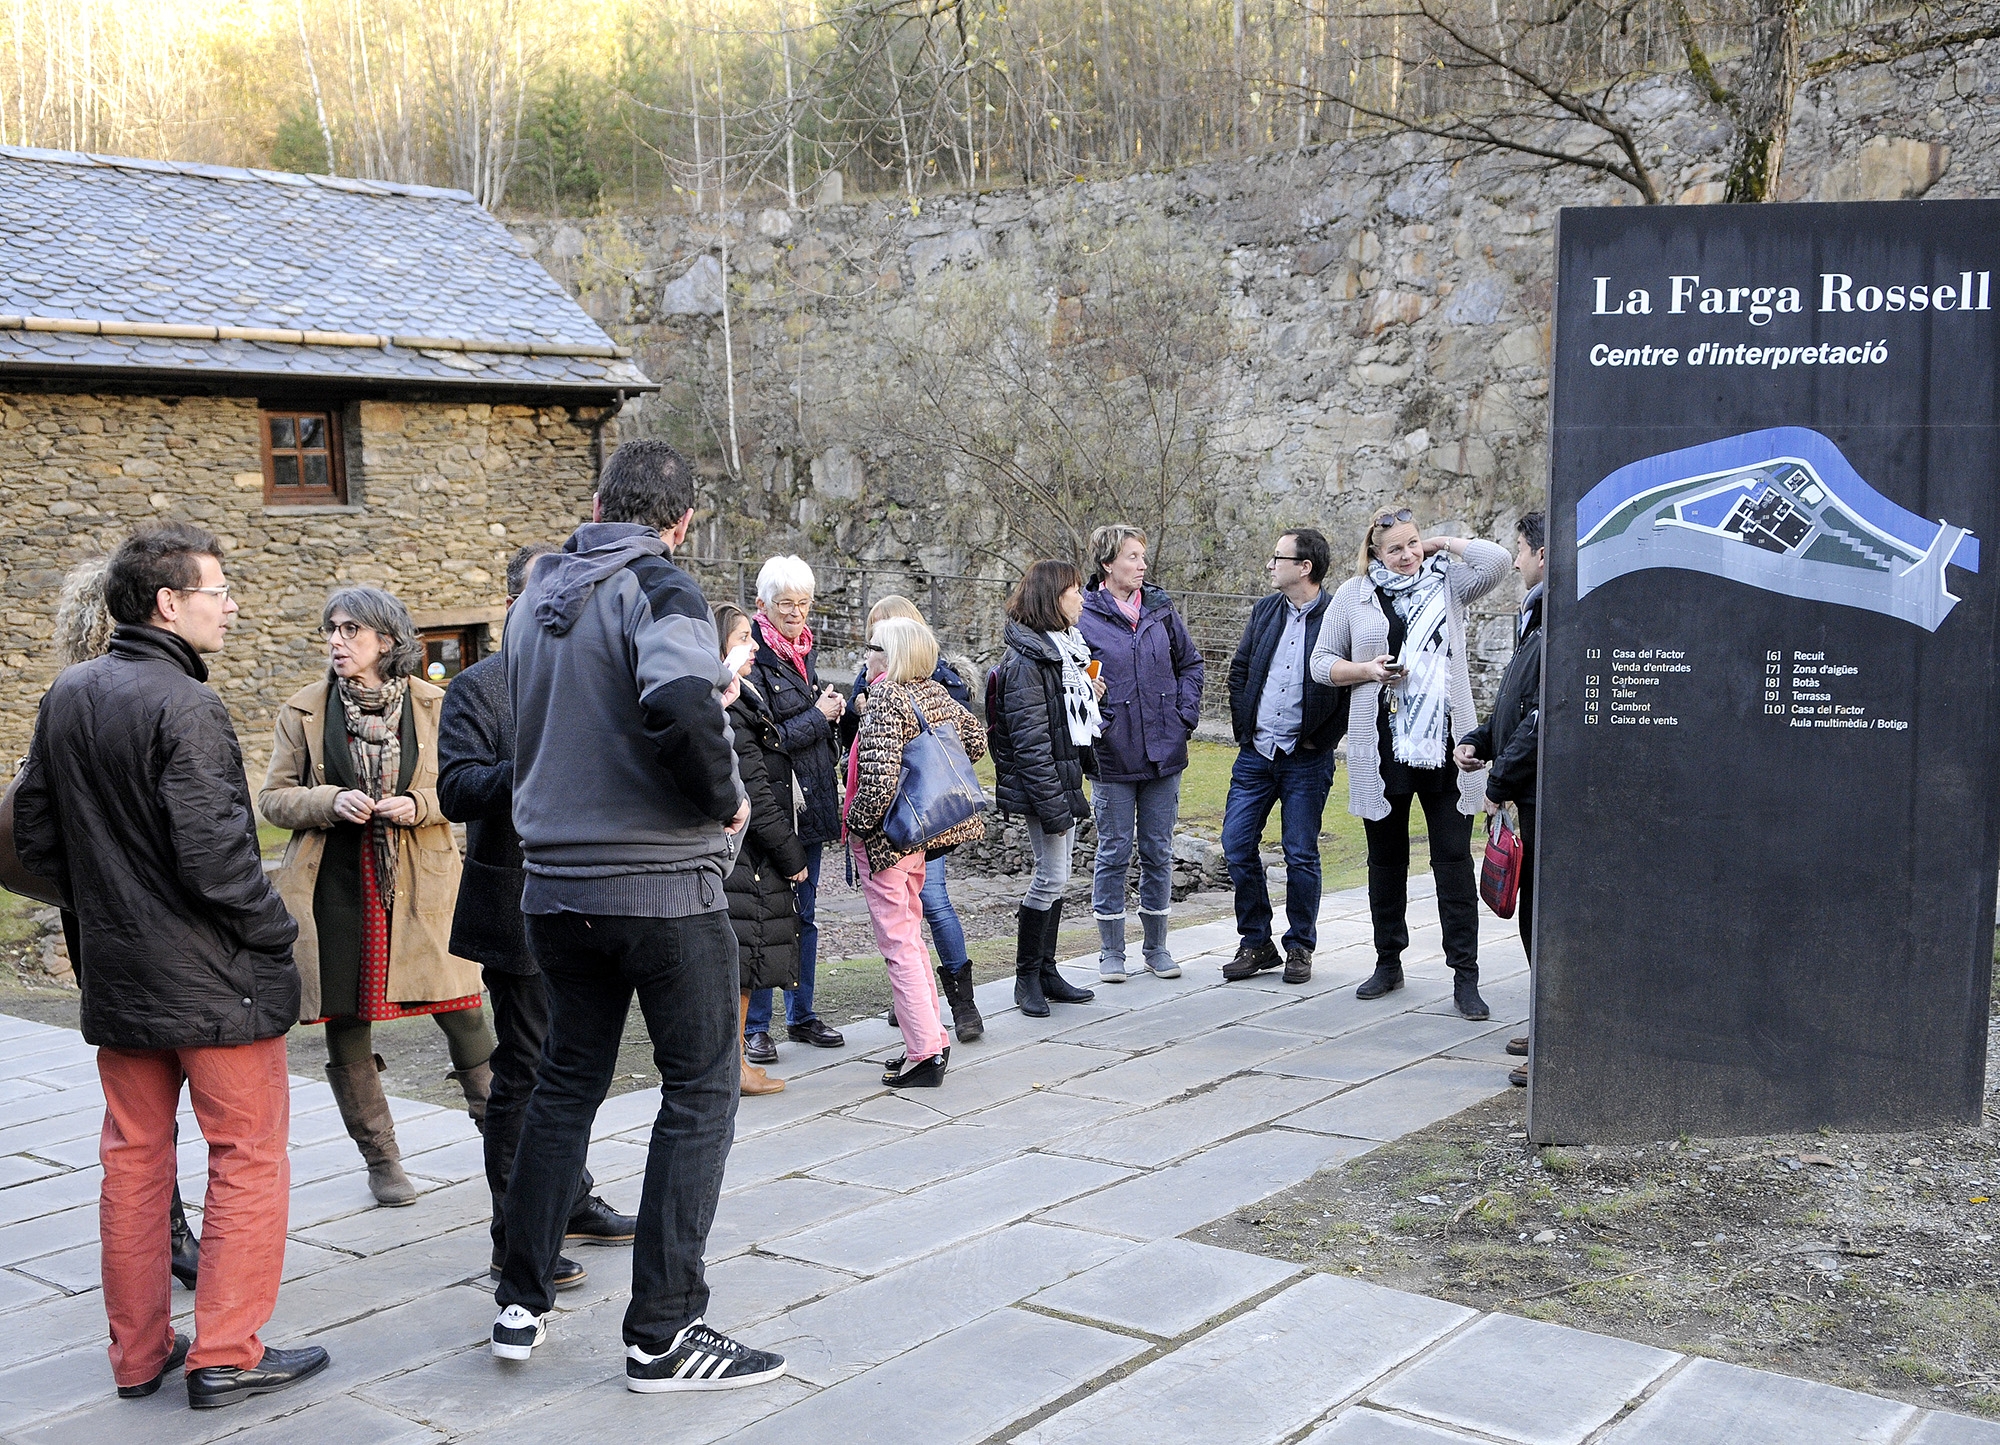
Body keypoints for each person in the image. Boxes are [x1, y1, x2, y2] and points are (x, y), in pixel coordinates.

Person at [491, 438, 784, 1394]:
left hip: (553, 891)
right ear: (682, 519)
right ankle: (664, 1331)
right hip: (659, 889)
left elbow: (586, 714)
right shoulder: (662, 587)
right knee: (702, 1091)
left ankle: (519, 1295)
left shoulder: (534, 598)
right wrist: (723, 800)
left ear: (596, 500)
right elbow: (674, 709)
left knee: (563, 1084)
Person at [15, 522, 330, 1409]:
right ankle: (226, 1350)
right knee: (248, 1156)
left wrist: (111, 900)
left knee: (135, 1159)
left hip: (119, 972)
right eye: (218, 589)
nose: (231, 604)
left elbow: (34, 836)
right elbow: (221, 865)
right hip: (213, 981)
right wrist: (278, 933)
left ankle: (137, 1355)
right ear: (168, 602)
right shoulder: (186, 705)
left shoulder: (67, 693)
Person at [437, 543, 637, 1291]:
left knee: (578, 1062)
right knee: (524, 1071)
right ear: (518, 603)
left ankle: (571, 1198)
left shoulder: (591, 674)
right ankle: (512, 1236)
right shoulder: (477, 688)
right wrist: (541, 759)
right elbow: (456, 789)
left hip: (595, 899)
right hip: (516, 905)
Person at [259, 587, 498, 1208]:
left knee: (464, 1008)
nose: (336, 642)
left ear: (386, 642)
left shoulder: (436, 705)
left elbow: (466, 786)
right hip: (336, 882)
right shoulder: (304, 709)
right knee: (346, 1017)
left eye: (350, 631)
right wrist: (327, 801)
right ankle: (382, 1161)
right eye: (331, 631)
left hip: (423, 880)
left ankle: (505, 1139)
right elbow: (274, 798)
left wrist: (420, 805)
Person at [39, 557, 203, 1292]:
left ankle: (149, 1277)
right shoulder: (164, 697)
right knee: (160, 1105)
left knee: (134, 1109)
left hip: (97, 920)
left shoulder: (69, 699)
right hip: (156, 930)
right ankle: (169, 1228)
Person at [1310, 506, 1510, 1019]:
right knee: (1387, 862)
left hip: (1448, 746)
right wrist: (1366, 669)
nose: (1407, 555)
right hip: (1381, 745)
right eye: (1395, 548)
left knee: (1452, 864)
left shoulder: (1447, 584)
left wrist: (1441, 542)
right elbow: (1320, 662)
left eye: (1413, 543)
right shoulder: (1354, 597)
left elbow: (1497, 560)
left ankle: (1466, 976)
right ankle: (1387, 961)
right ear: (1374, 552)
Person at [846, 616, 988, 1087]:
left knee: (898, 943)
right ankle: (932, 1039)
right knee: (910, 935)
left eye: (873, 648)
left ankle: (925, 1051)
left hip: (888, 839)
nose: (867, 656)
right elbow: (976, 740)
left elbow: (878, 782)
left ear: (890, 654)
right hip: (920, 836)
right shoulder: (929, 691)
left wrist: (854, 826)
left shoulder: (887, 696)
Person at [1077, 525, 1205, 983]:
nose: (1142, 565)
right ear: (1108, 564)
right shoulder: (1083, 617)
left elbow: (1190, 663)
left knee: (1157, 850)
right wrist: (1101, 718)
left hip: (1164, 751)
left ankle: (1157, 948)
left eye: (1142, 557)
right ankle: (1112, 953)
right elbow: (1074, 681)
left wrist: (1184, 716)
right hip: (1113, 754)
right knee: (1113, 852)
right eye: (1132, 557)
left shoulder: (1160, 608)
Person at [1220, 528, 1347, 985]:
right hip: (1257, 753)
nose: (1271, 565)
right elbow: (1239, 671)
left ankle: (1299, 947)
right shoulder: (1265, 609)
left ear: (1304, 568)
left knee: (1300, 853)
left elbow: (1351, 689)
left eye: (1278, 557)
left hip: (1306, 760)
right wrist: (1244, 728)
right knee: (1236, 846)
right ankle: (1256, 943)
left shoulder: (1338, 616)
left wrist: (1323, 739)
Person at [989, 559, 1106, 1017]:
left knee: (1056, 878)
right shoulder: (1026, 659)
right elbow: (1031, 741)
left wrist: (1093, 695)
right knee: (1050, 876)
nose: (1082, 599)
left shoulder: (1067, 648)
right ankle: (1025, 978)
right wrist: (1054, 805)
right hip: (1046, 782)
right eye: (1074, 591)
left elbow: (1068, 718)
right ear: (1050, 599)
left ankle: (1047, 971)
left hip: (1064, 774)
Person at [742, 555, 846, 1065]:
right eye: (786, 604)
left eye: (804, 604)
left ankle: (801, 1015)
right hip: (775, 809)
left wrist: (840, 715)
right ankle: (756, 1027)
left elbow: (808, 734)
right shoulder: (752, 661)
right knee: (769, 916)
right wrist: (818, 715)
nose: (797, 614)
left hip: (810, 805)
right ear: (762, 605)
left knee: (805, 915)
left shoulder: (803, 654)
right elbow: (765, 742)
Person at [1455, 511, 1545, 1087]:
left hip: (1542, 795)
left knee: (1545, 920)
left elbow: (1543, 717)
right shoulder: (1535, 616)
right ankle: (1548, 1026)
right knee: (1535, 918)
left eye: (1521, 549)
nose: (1515, 560)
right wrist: (1482, 740)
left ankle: (1557, 1043)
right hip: (1529, 788)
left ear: (1545, 554)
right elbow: (1519, 698)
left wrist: (1499, 780)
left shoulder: (1560, 618)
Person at [714, 600, 806, 1097]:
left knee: (746, 957)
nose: (753, 645)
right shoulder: (730, 708)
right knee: (742, 959)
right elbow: (755, 790)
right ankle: (734, 1070)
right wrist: (792, 858)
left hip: (748, 853)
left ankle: (734, 1068)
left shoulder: (743, 698)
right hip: (743, 857)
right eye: (741, 637)